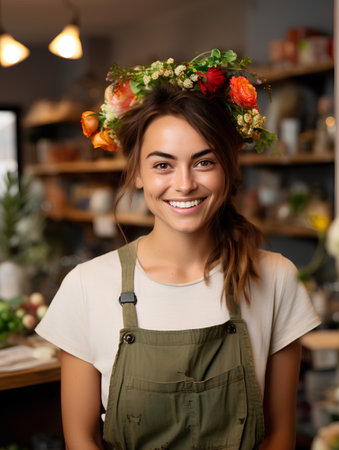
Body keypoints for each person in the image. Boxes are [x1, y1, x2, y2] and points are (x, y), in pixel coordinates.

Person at [36, 50, 320, 449]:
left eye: (203, 162)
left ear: (229, 167)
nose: (184, 184)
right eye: (163, 165)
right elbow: (81, 440)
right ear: (136, 172)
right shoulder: (85, 286)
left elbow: (280, 435)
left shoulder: (276, 278)